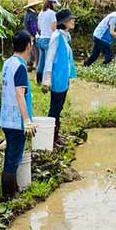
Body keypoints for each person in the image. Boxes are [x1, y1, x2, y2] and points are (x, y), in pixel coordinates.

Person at [0, 30, 36, 197]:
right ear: (28, 46)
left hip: (6, 118)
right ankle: (9, 195)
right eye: (32, 43)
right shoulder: (20, 67)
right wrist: (27, 121)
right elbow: (20, 94)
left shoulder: (8, 63)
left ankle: (13, 190)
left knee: (11, 155)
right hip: (16, 121)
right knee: (13, 159)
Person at [41, 7, 77, 146]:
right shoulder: (56, 37)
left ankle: (55, 136)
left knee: (59, 107)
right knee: (55, 108)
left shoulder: (65, 35)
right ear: (64, 22)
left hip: (63, 78)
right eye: (71, 19)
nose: (73, 21)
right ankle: (51, 137)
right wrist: (47, 79)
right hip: (57, 78)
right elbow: (49, 58)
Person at [35, 0, 59, 77]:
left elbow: (39, 27)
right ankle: (47, 80)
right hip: (48, 40)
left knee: (41, 60)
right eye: (55, 3)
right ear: (52, 3)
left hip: (41, 39)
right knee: (48, 62)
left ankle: (38, 78)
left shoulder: (41, 13)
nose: (56, 6)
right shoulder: (52, 13)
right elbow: (54, 28)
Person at [23, 0, 42, 69]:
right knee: (36, 50)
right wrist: (36, 34)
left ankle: (29, 64)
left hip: (28, 34)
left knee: (30, 49)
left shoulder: (27, 14)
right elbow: (33, 26)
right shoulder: (32, 15)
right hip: (32, 35)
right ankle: (36, 65)